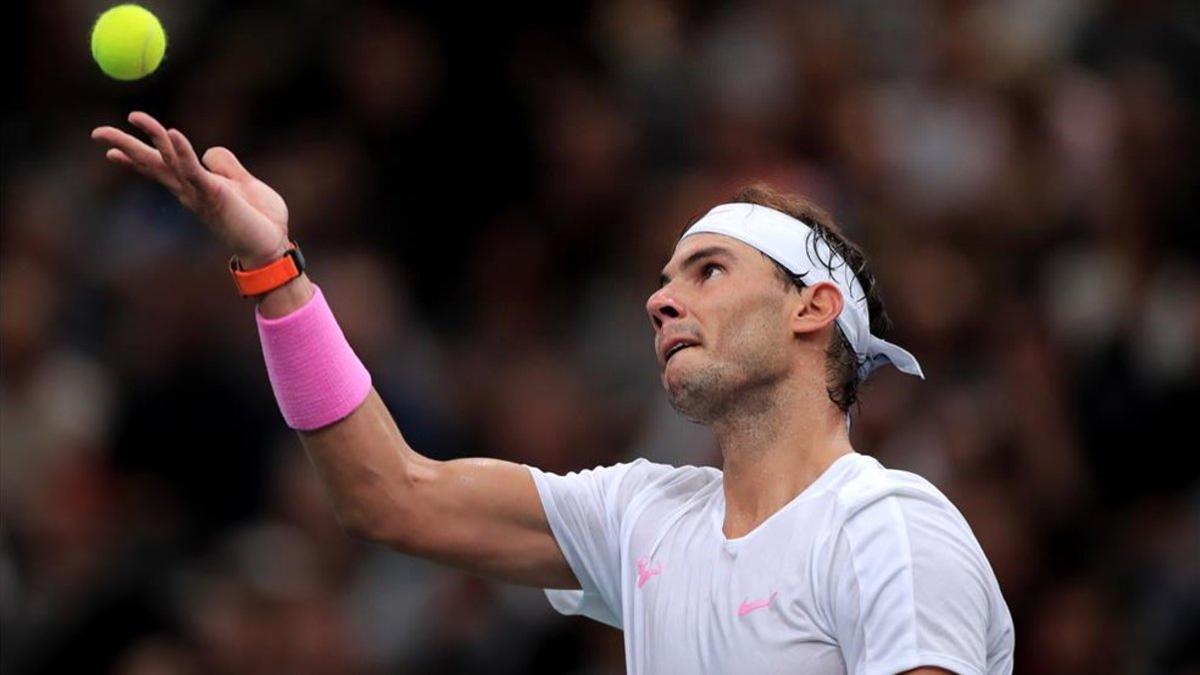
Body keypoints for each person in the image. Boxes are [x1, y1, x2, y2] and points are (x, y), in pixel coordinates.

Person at [91, 111, 1014, 674]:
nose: (660, 298)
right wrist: (271, 269)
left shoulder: (888, 527)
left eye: (708, 269)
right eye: (663, 278)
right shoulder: (642, 515)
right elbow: (389, 493)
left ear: (812, 309)